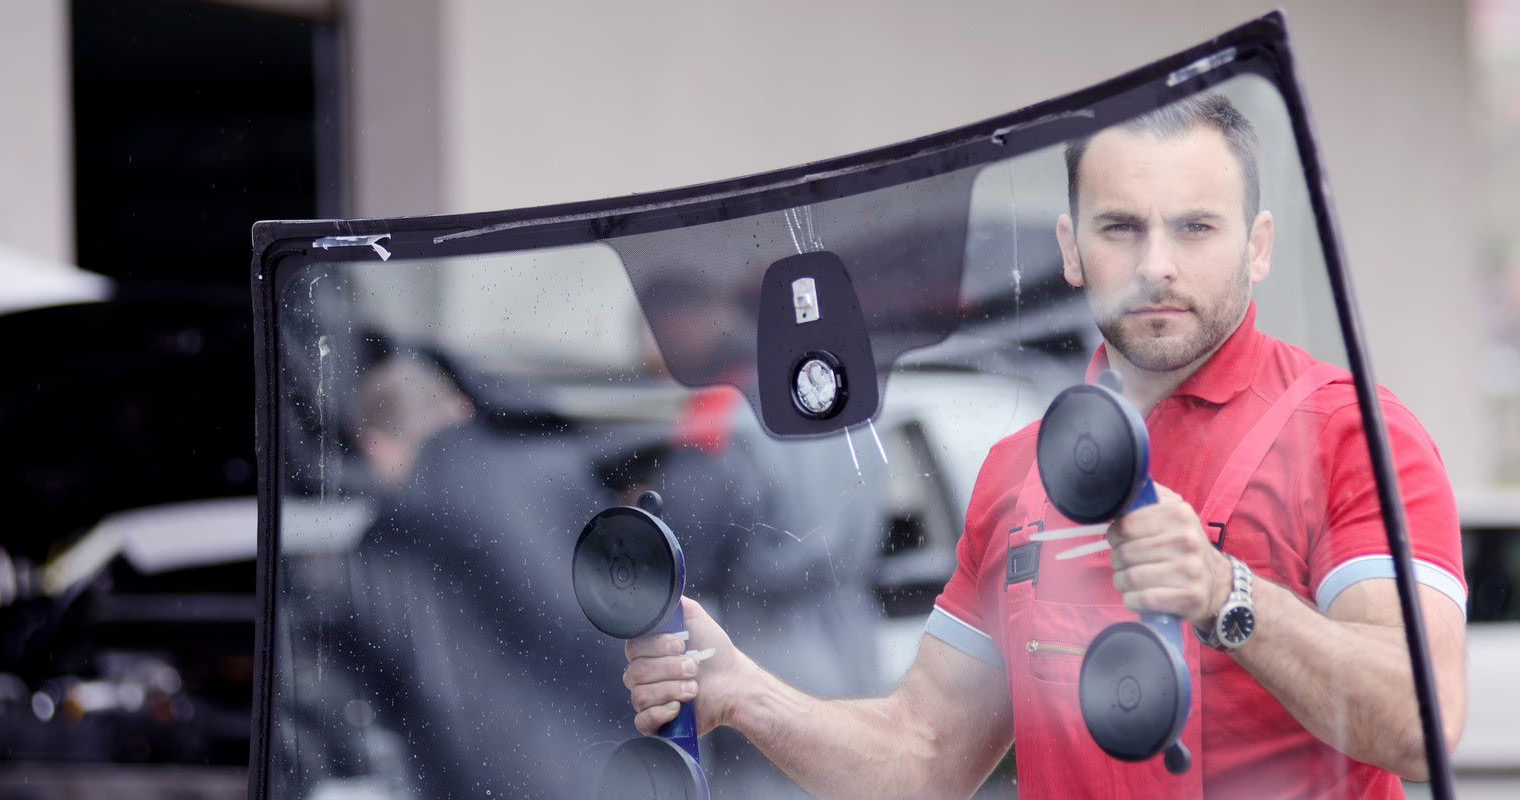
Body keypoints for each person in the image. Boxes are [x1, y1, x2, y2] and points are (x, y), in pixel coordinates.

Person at [621, 94, 1468, 799]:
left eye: (1196, 228)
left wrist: (1226, 593)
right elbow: (924, 754)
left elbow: (1425, 726)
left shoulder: (1350, 433)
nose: (1157, 265)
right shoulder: (1018, 472)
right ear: (1070, 249)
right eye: (1121, 228)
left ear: (1258, 246)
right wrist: (742, 692)